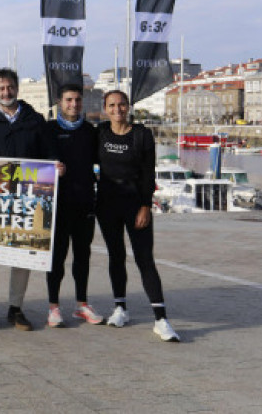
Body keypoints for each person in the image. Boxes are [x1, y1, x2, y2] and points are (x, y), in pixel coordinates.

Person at [0, 68, 56, 332]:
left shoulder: (36, 120)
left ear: (17, 88)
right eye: (0, 88)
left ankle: (16, 307)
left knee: (22, 253)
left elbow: (48, 158)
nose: (6, 92)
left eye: (10, 87)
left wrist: (56, 169)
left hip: (26, 198)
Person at [96, 90, 179, 342]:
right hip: (107, 203)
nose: (118, 109)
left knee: (144, 259)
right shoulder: (99, 133)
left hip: (135, 204)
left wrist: (145, 206)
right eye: (112, 105)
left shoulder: (141, 135)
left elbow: (148, 174)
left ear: (128, 107)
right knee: (116, 256)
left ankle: (161, 319)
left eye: (122, 105)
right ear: (105, 108)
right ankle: (120, 308)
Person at [45, 84, 104, 328]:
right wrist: (50, 167)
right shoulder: (48, 129)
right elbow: (34, 161)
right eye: (69, 100)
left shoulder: (91, 131)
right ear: (60, 102)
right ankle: (53, 307)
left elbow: (101, 164)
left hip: (84, 203)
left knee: (82, 255)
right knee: (56, 257)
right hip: (57, 205)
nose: (74, 104)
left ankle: (82, 304)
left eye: (78, 100)